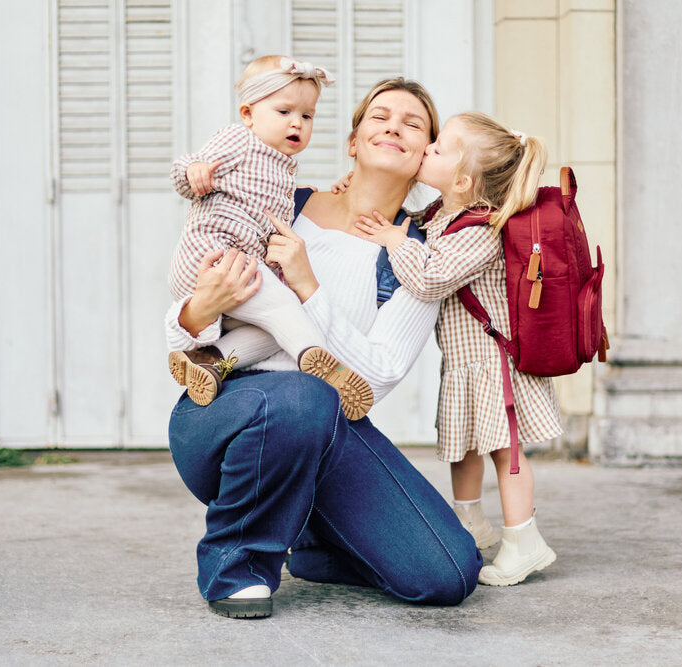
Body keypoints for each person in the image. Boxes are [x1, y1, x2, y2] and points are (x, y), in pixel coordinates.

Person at [164, 78, 483, 619]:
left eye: (413, 124)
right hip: (223, 415)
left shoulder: (415, 258)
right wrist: (200, 309)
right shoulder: (279, 204)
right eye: (380, 116)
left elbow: (375, 378)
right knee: (302, 395)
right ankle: (235, 569)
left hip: (329, 425)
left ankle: (311, 537)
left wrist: (308, 285)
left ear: (424, 157)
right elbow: (179, 337)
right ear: (353, 141)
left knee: (449, 573)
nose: (394, 127)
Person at [354, 111, 563, 586]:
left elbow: (429, 279)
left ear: (464, 181)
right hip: (465, 363)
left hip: (495, 365)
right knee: (463, 445)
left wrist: (394, 240)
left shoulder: (480, 232)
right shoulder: (442, 214)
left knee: (506, 453)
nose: (426, 148)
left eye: (438, 148)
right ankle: (470, 521)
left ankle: (524, 541)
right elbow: (416, 227)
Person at [166, 54, 372, 421]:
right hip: (215, 253)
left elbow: (272, 199)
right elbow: (185, 168)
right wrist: (194, 171)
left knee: (272, 329)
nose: (297, 123)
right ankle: (323, 364)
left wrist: (333, 189)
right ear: (248, 114)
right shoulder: (238, 140)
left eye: (307, 116)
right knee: (286, 308)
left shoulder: (282, 166)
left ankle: (210, 362)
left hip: (233, 267)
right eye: (284, 112)